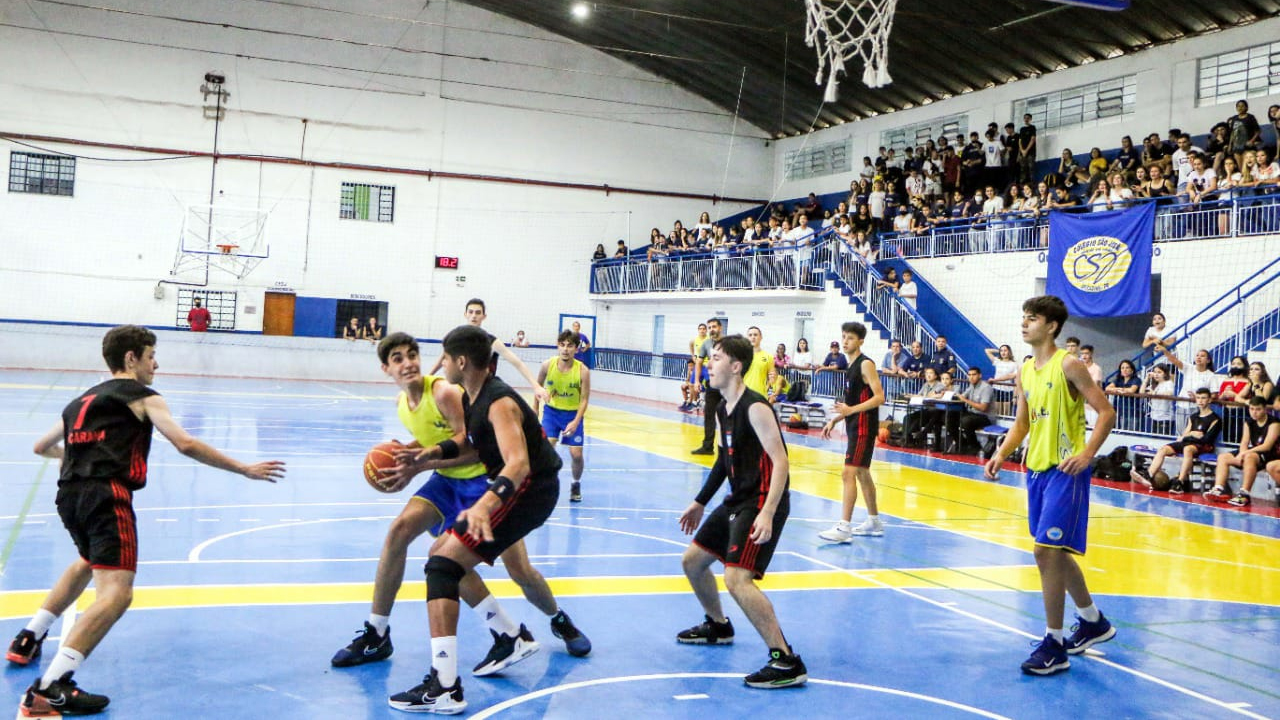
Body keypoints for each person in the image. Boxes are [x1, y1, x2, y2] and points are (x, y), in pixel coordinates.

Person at [10, 325, 286, 716]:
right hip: (107, 496)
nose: (156, 364)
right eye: (151, 355)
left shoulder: (80, 400)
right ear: (131, 358)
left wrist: (83, 458)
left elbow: (42, 446)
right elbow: (185, 443)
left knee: (89, 561)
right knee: (117, 594)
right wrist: (243, 468)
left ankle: (28, 637)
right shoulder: (143, 396)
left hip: (69, 495)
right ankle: (51, 687)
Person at [331, 333, 587, 676]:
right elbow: (436, 443)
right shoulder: (403, 405)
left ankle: (555, 620)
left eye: (412, 355)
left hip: (485, 481)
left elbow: (471, 445)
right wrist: (412, 459)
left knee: (518, 572)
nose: (407, 363)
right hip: (448, 481)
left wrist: (426, 466)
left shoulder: (449, 393)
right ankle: (377, 632)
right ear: (385, 368)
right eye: (397, 359)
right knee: (401, 533)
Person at [387, 325, 590, 713]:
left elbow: (518, 463)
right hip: (514, 488)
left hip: (530, 490)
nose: (441, 364)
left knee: (444, 565)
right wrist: (426, 456)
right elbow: (471, 444)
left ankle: (446, 686)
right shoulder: (473, 396)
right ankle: (508, 638)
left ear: (461, 361)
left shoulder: (498, 402)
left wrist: (483, 505)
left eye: (445, 357)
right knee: (441, 556)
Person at [984, 295, 1117, 676]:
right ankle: (1092, 621)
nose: (1024, 324)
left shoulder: (1070, 365)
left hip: (1066, 468)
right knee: (1054, 552)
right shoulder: (1025, 370)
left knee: (1045, 551)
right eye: (1023, 318)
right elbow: (1022, 423)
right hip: (1037, 470)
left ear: (1052, 326)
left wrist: (1088, 453)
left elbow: (1106, 412)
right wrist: (1002, 453)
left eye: (1032, 319)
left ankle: (1054, 643)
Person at [675, 334, 807, 689]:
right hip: (738, 499)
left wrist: (767, 513)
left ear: (735, 367)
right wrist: (700, 501)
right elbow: (723, 459)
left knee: (737, 579)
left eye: (716, 358)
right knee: (693, 561)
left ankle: (785, 660)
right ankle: (718, 625)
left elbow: (781, 462)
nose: (709, 363)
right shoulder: (722, 407)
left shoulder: (755, 407)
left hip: (761, 501)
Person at [818, 322, 886, 540]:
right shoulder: (851, 366)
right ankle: (874, 522)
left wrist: (850, 410)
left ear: (861, 341)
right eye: (844, 336)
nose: (846, 341)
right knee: (862, 473)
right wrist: (837, 419)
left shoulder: (866, 364)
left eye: (850, 338)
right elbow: (853, 402)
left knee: (848, 473)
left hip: (864, 426)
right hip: (855, 423)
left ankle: (844, 528)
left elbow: (879, 398)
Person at [428, 299, 550, 405]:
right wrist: (428, 377)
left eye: (478, 312)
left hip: (483, 394)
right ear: (465, 314)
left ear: (484, 316)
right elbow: (443, 358)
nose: (474, 316)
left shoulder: (491, 342)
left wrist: (536, 386)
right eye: (470, 312)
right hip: (460, 392)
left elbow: (517, 363)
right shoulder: (457, 337)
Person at [536, 330, 591, 503]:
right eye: (562, 345)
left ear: (576, 349)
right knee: (547, 449)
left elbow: (584, 399)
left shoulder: (582, 371)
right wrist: (535, 408)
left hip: (572, 415)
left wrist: (576, 421)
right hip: (551, 413)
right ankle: (544, 485)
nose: (565, 349)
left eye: (570, 346)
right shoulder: (547, 365)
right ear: (558, 346)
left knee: (576, 454)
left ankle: (575, 483)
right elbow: (537, 387)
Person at [1132, 388, 1221, 494]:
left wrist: (1190, 436)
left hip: (1204, 446)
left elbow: (1207, 438)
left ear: (1209, 400)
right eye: (1198, 398)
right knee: (1164, 449)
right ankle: (1149, 475)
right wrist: (1192, 434)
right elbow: (1184, 435)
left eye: (1203, 398)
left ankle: (1180, 482)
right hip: (1189, 442)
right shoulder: (1193, 417)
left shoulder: (1215, 418)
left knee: (1187, 449)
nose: (1200, 401)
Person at [1203, 396, 1279, 507]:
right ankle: (1219, 489)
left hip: (1270, 454)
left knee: (1250, 457)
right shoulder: (1248, 422)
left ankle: (1244, 493)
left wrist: (1245, 453)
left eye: (1258, 409)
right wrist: (1242, 452)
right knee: (1223, 457)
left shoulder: (1274, 423)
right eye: (1251, 409)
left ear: (1265, 409)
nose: (1254, 412)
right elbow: (1244, 442)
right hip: (1253, 452)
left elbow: (1267, 446)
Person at [691, 318, 724, 455]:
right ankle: (708, 446)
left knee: (728, 416)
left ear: (720, 328)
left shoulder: (729, 344)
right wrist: (697, 381)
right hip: (712, 384)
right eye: (709, 327)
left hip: (726, 385)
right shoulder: (706, 344)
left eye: (714, 326)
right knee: (709, 415)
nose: (711, 329)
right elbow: (698, 362)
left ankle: (728, 447)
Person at [950, 367, 997, 453]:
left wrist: (966, 400)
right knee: (949, 417)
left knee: (966, 421)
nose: (971, 377)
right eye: (969, 375)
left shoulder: (986, 388)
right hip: (972, 414)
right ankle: (962, 443)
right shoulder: (971, 386)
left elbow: (983, 408)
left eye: (974, 375)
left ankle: (975, 446)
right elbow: (962, 397)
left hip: (985, 417)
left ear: (980, 375)